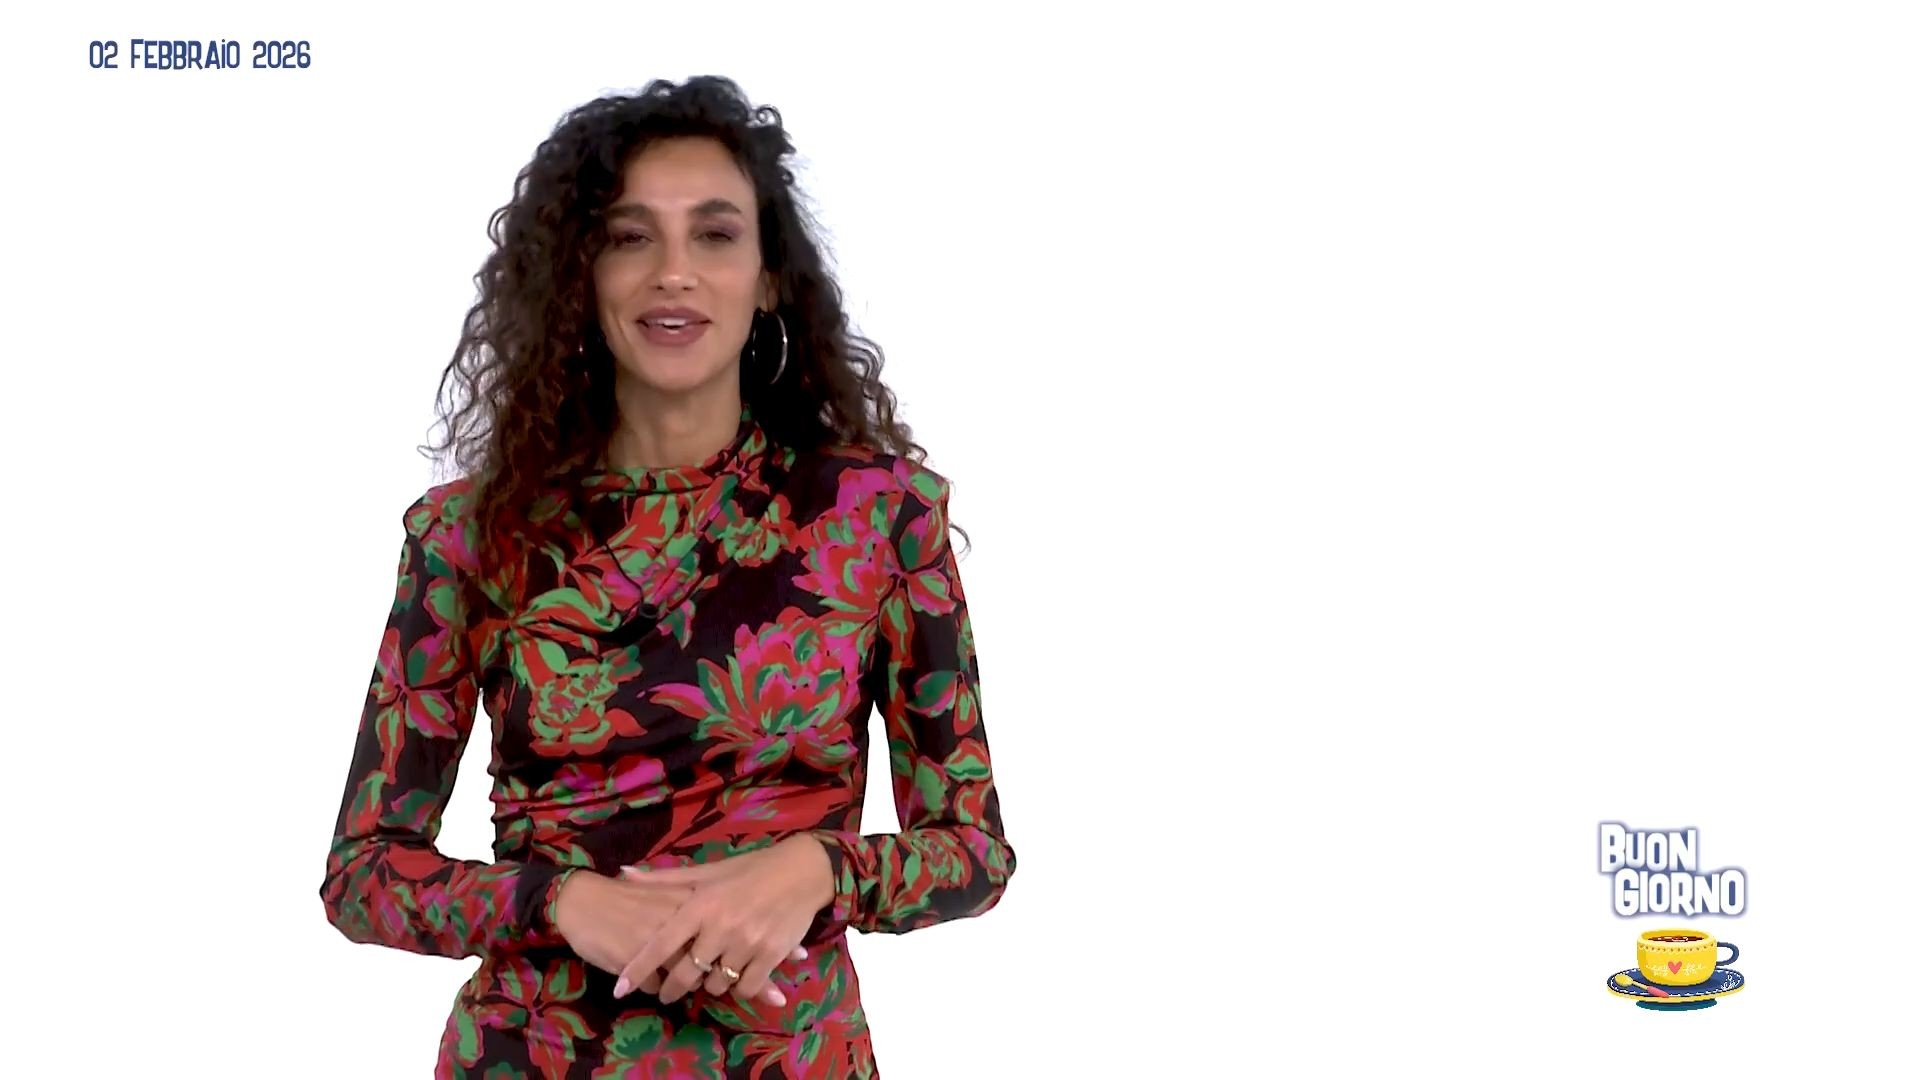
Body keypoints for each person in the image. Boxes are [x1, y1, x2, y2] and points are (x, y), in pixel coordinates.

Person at [317, 76, 1017, 1079]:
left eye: (715, 235)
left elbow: (973, 852)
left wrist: (817, 869)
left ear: (768, 278)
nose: (673, 273)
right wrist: (559, 900)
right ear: (582, 274)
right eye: (630, 237)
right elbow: (365, 874)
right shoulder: (468, 537)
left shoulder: (878, 517)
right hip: (531, 1056)